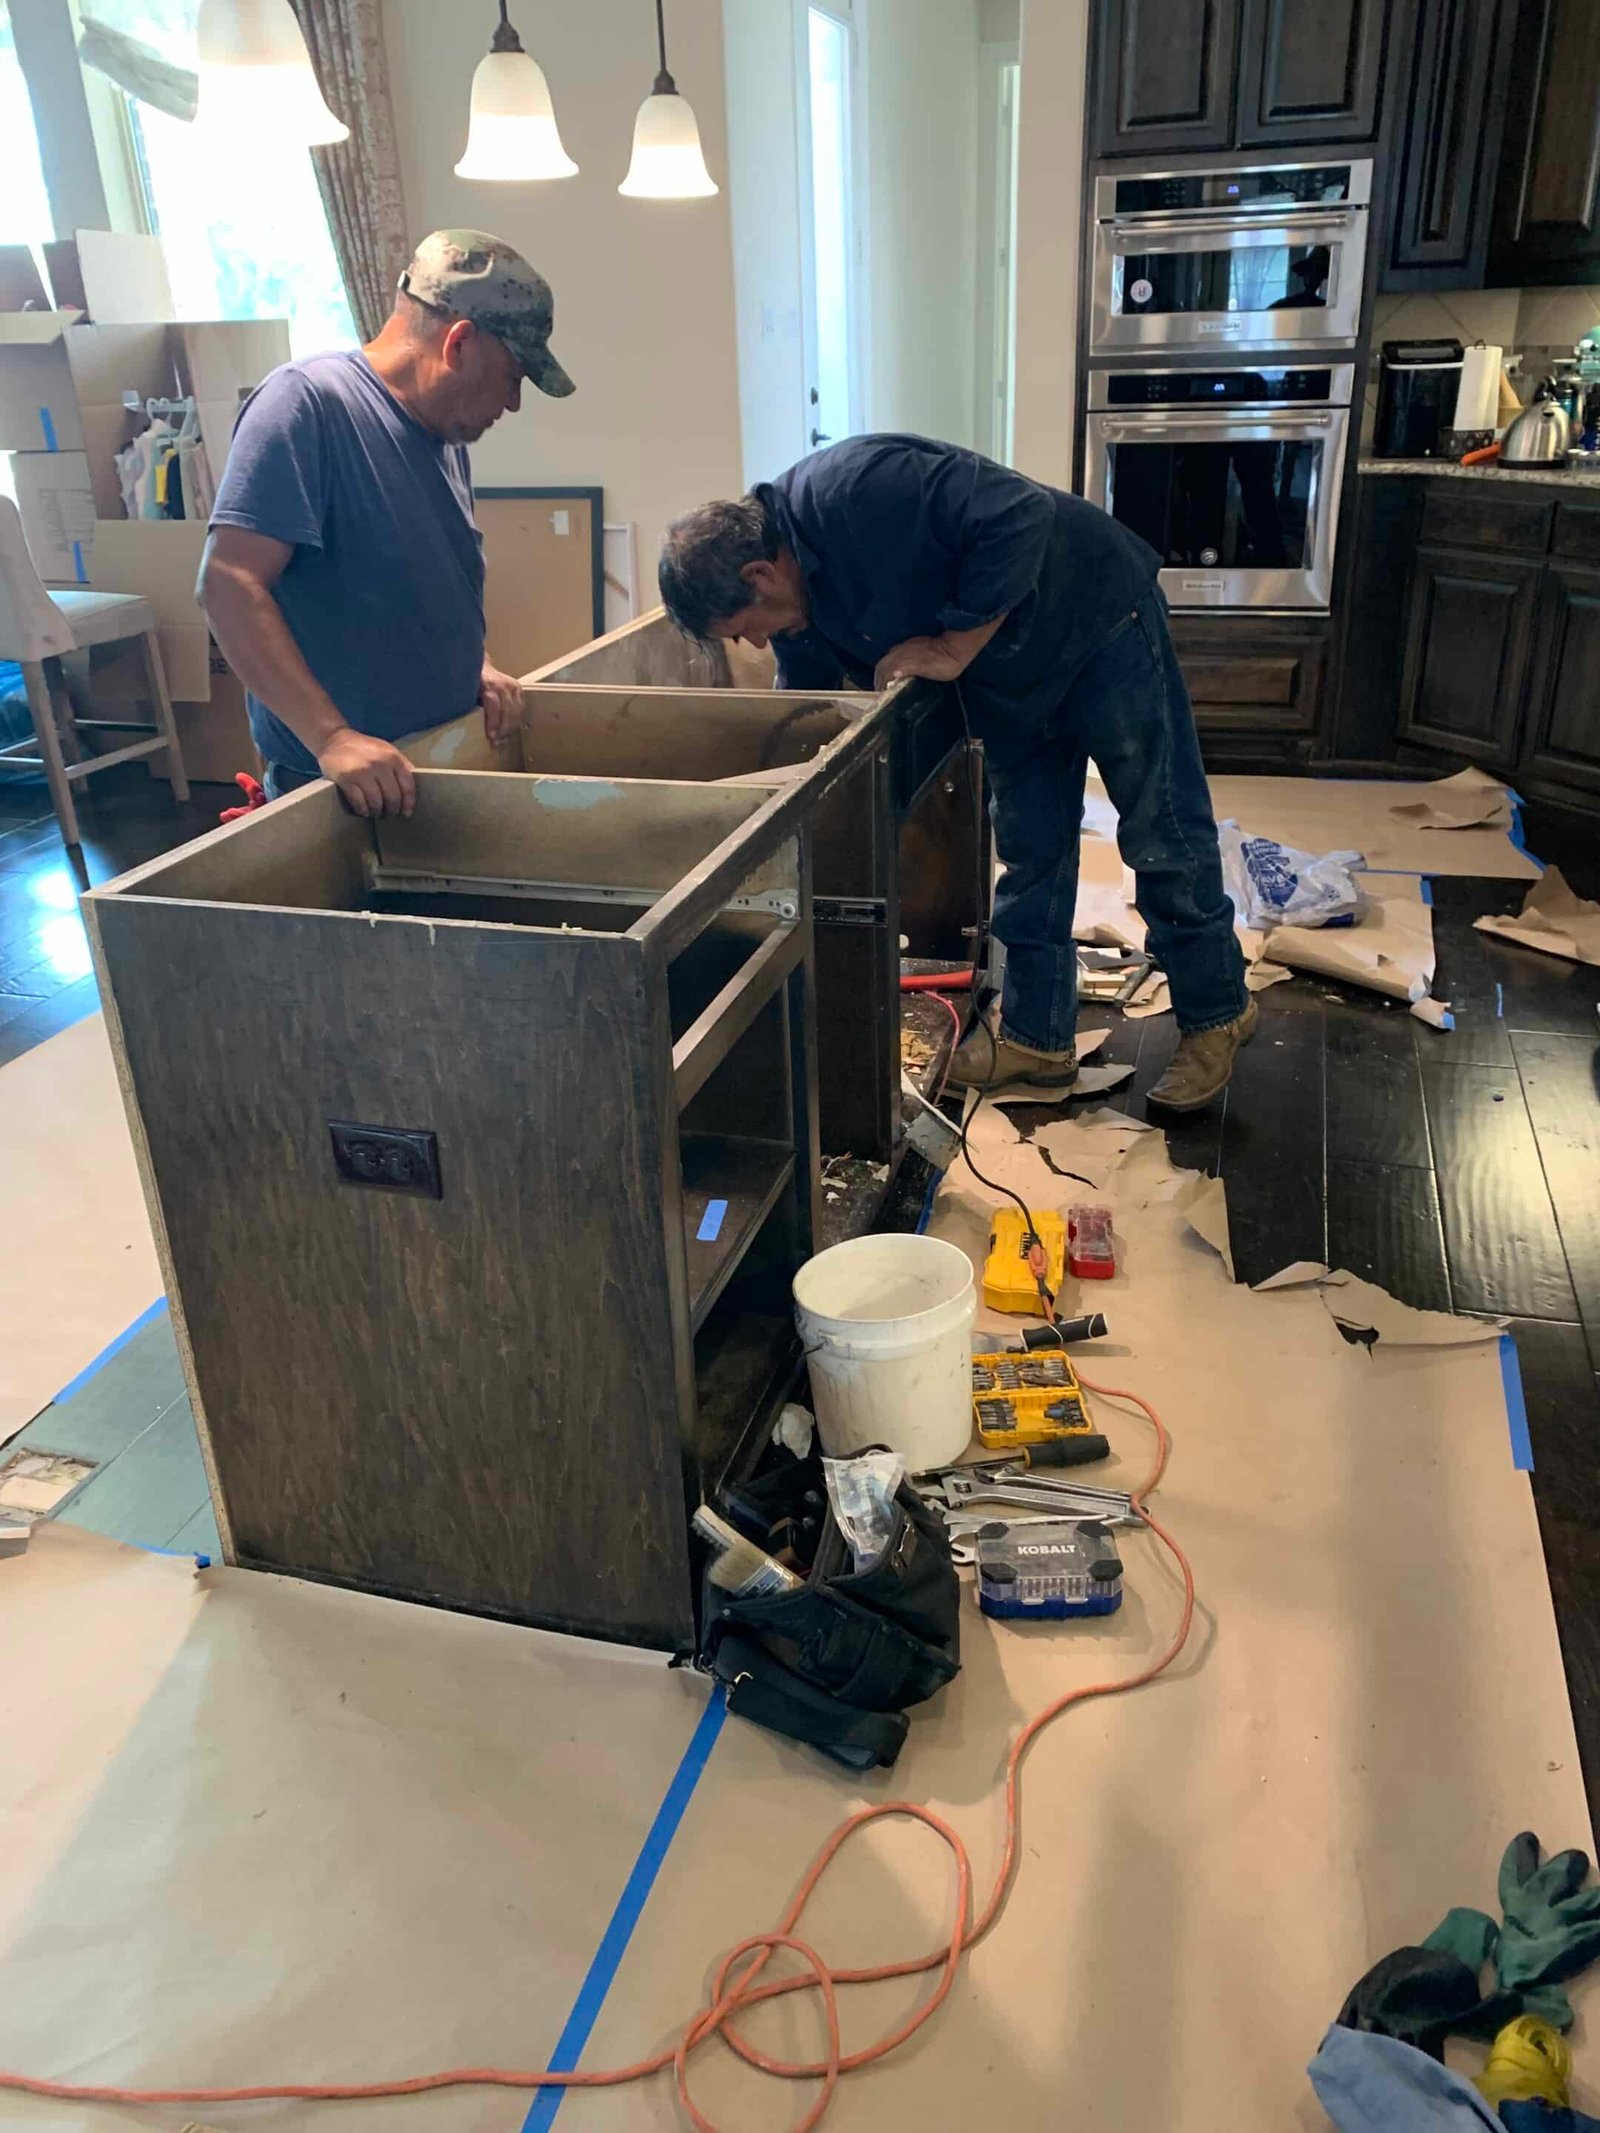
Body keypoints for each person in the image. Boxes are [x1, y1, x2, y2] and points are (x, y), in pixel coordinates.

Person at [658, 433, 1254, 1112]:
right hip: (1010, 677)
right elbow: (810, 709)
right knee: (1032, 850)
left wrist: (949, 646)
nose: (756, 642)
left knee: (1159, 827)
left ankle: (1217, 1012)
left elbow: (1019, 515)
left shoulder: (858, 487)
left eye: (745, 627)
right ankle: (1037, 1041)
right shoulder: (793, 606)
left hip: (1094, 618)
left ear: (759, 575)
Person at [199, 229, 575, 818]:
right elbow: (227, 583)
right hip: (346, 791)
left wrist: (476, 663)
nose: (514, 403)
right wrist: (331, 738)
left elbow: (417, 582)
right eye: (513, 377)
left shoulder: (445, 435)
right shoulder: (305, 405)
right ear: (460, 344)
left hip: (430, 764)